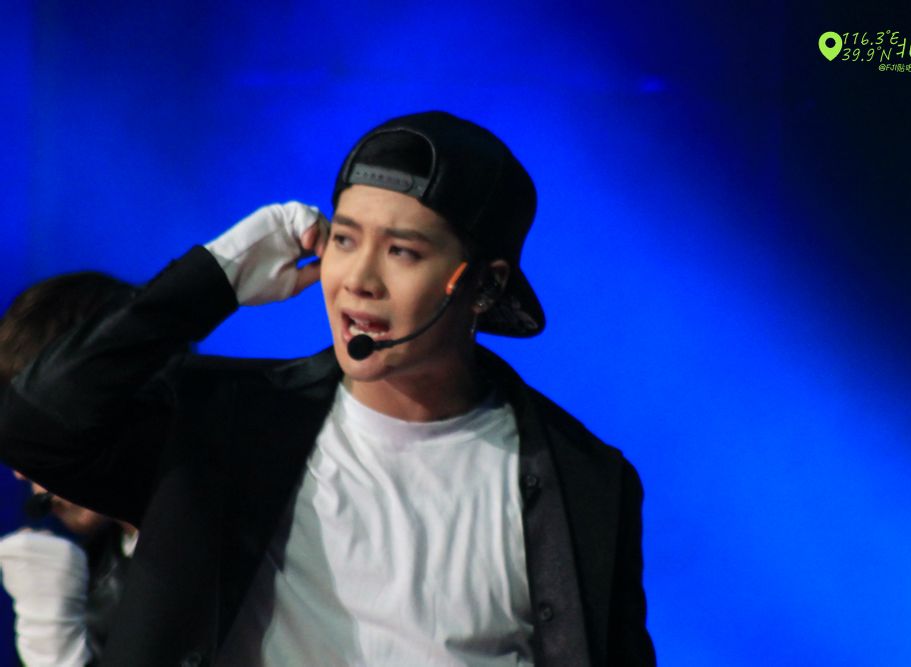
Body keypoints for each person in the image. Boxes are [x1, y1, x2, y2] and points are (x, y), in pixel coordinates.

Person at [0, 111, 655, 666]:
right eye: (344, 239)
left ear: (483, 285)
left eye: (401, 251)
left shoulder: (584, 482)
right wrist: (213, 278)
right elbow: (32, 426)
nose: (357, 280)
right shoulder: (226, 423)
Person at [0, 273, 139, 666]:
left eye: (40, 429)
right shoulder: (96, 563)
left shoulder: (234, 539)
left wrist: (53, 647)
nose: (21, 471)